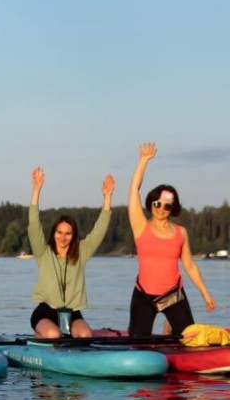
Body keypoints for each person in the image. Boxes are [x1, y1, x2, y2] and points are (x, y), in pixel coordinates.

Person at [127, 142, 216, 337]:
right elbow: (134, 189)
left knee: (190, 339)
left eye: (167, 206)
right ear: (151, 204)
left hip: (173, 296)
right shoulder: (141, 226)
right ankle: (166, 329)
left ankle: (170, 326)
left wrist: (205, 294)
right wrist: (143, 160)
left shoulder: (181, 233)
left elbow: (190, 265)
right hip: (144, 296)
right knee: (137, 342)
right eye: (157, 204)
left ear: (172, 209)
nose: (161, 209)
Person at [28, 167, 115, 338]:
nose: (63, 237)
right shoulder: (43, 253)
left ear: (73, 235)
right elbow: (33, 225)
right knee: (53, 335)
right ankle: (40, 336)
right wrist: (36, 190)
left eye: (68, 233)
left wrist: (107, 198)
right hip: (45, 313)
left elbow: (99, 230)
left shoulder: (81, 251)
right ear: (53, 233)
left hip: (72, 314)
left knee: (85, 335)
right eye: (59, 232)